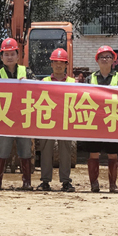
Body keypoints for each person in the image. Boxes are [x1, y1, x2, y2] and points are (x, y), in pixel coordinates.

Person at [0, 38, 37, 190]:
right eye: (6, 54)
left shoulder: (27, 73)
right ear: (1, 57)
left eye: (12, 54)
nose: (9, 57)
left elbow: (38, 90)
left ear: (18, 56)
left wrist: (28, 83)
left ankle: (27, 182)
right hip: (5, 118)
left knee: (25, 150)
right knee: (2, 150)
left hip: (23, 118)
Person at [85, 46, 118, 193]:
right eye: (102, 57)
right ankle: (94, 184)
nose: (105, 59)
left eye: (108, 57)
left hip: (112, 121)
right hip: (94, 121)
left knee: (113, 154)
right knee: (93, 153)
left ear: (113, 60)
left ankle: (112, 185)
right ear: (97, 60)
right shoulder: (90, 79)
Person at [37, 48, 76, 192]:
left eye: (61, 62)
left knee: (66, 152)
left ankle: (65, 181)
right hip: (48, 121)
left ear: (66, 65)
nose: (58, 65)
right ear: (51, 64)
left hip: (65, 121)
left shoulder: (73, 83)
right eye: (56, 62)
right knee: (46, 151)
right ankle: (45, 181)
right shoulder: (44, 82)